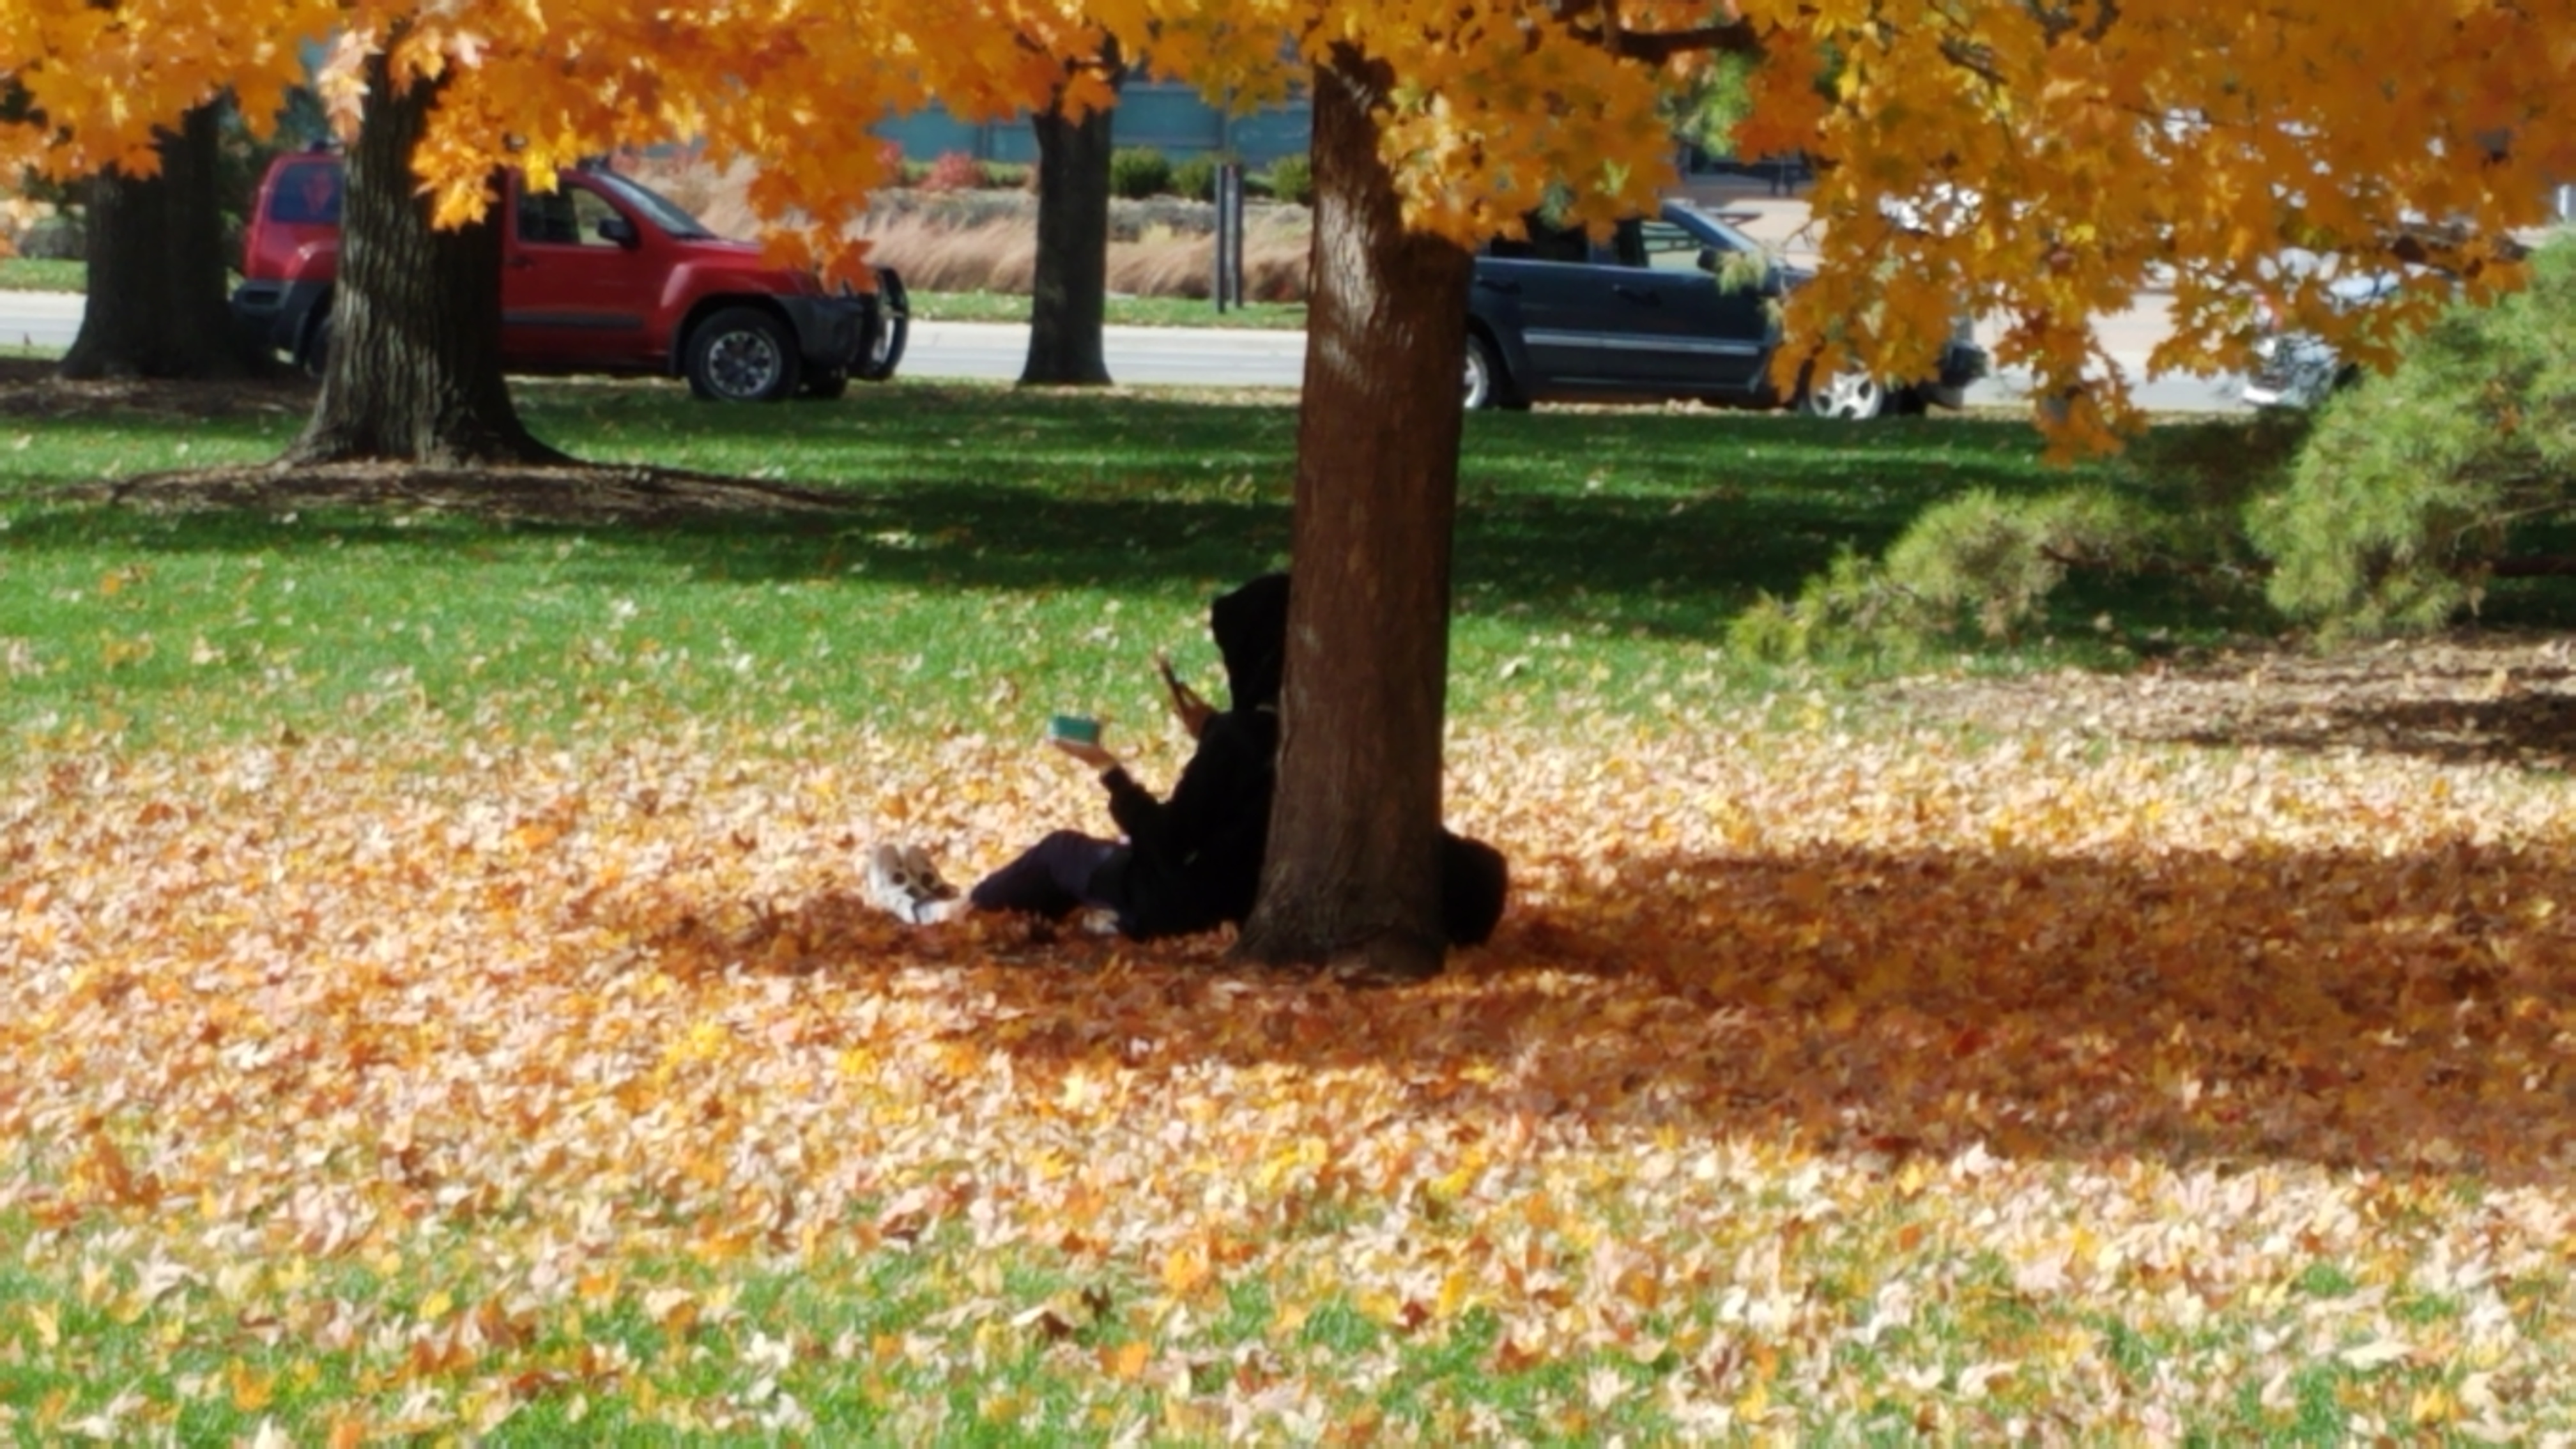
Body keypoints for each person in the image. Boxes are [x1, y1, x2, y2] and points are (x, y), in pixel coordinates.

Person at [866, 571, 1510, 948]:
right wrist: (1210, 733)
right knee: (1069, 875)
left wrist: (1106, 768)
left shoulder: (1240, 740)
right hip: (1238, 892)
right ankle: (994, 909)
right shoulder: (1324, 739)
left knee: (1063, 854)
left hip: (1182, 898)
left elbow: (1169, 841)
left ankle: (941, 914)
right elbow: (1250, 793)